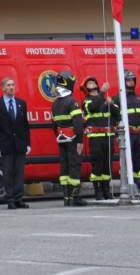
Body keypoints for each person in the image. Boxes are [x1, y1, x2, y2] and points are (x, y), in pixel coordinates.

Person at [0, 77, 31, 209]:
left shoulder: (21, 103)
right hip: (5, 144)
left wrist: (28, 144)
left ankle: (19, 198)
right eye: (8, 85)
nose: (11, 87)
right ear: (3, 88)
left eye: (13, 85)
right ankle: (10, 199)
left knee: (19, 172)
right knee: (8, 172)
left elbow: (25, 125)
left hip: (19, 144)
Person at [51, 72, 87, 207]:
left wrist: (59, 136)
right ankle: (75, 197)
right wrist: (80, 141)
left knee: (64, 168)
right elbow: (78, 124)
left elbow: (53, 125)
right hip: (72, 140)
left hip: (61, 139)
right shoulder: (72, 102)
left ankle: (66, 198)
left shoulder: (55, 103)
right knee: (74, 167)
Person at [81, 76, 119, 200]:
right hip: (96, 138)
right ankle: (98, 192)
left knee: (107, 165)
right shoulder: (87, 101)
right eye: (89, 84)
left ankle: (106, 190)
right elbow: (92, 108)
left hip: (108, 137)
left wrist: (111, 103)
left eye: (93, 83)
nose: (92, 85)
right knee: (97, 164)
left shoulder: (105, 99)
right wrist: (102, 92)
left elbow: (117, 113)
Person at [123, 71, 140, 189]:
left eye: (132, 80)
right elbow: (117, 118)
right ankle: (128, 186)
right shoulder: (120, 98)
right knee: (128, 161)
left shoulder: (138, 99)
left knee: (137, 161)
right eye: (128, 80)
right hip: (127, 135)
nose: (131, 82)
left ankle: (137, 187)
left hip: (137, 135)